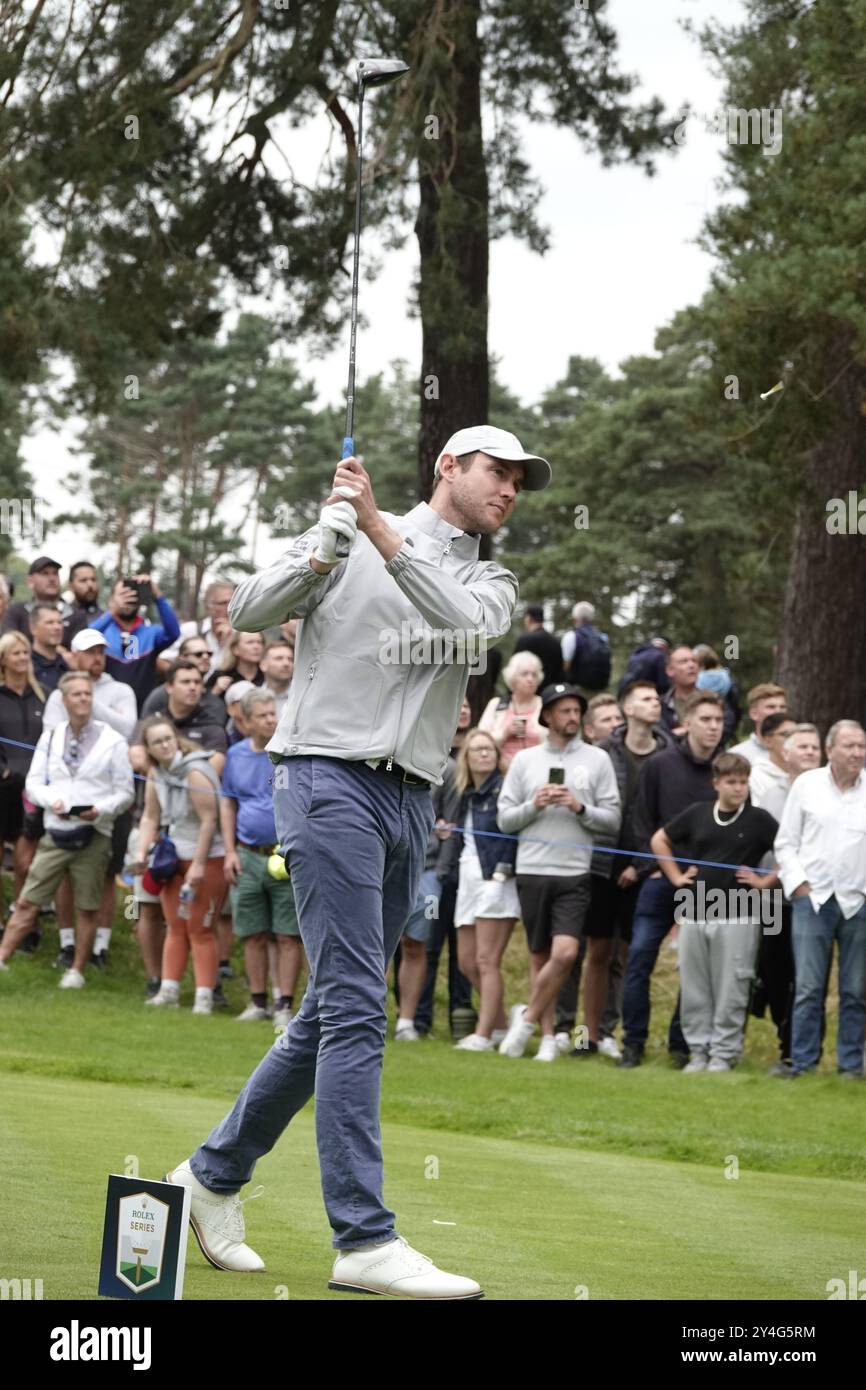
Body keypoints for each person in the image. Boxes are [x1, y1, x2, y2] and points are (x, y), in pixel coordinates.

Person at [163, 423, 548, 1299]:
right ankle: (363, 1237)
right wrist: (320, 556)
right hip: (326, 779)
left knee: (327, 1016)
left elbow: (465, 633)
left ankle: (209, 1179)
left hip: (412, 801)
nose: (511, 490)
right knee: (350, 1008)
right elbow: (251, 612)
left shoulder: (489, 576)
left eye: (522, 481)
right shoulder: (343, 526)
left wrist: (379, 533)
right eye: (500, 472)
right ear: (449, 465)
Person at [496, 683, 620, 1062]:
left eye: (575, 711)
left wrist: (580, 808)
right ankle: (547, 1038)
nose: (572, 717)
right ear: (546, 716)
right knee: (539, 957)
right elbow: (504, 820)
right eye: (563, 711)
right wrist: (534, 805)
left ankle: (527, 1018)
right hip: (532, 869)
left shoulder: (597, 759)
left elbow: (612, 819)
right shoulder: (524, 760)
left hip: (575, 872)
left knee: (565, 953)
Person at [0, 672, 134, 987]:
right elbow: (33, 784)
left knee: (88, 905)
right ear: (64, 700)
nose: (84, 699)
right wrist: (53, 801)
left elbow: (126, 792)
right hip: (56, 830)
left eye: (88, 694)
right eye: (77, 695)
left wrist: (99, 809)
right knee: (28, 900)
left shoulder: (112, 740)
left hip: (95, 833)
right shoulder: (52, 736)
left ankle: (76, 971)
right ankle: (2, 958)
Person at [651, 752, 779, 1072]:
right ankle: (698, 1050)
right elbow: (660, 840)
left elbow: (789, 849)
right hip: (695, 908)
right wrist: (677, 877)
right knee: (695, 983)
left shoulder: (760, 820)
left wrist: (764, 882)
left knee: (732, 984)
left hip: (739, 911)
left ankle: (724, 1052)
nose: (739, 789)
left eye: (743, 782)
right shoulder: (697, 814)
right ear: (717, 783)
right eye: (732, 782)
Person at [618, 690, 726, 1068]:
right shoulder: (661, 765)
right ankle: (633, 1041)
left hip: (706, 888)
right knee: (639, 961)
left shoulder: (725, 773)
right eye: (706, 720)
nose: (713, 727)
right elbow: (642, 822)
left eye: (719, 721)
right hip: (660, 881)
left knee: (695, 971)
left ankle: (681, 1045)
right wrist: (666, 872)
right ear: (688, 723)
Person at [572, 681, 672, 1059]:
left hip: (648, 868)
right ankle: (588, 1036)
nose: (656, 703)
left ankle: (617, 1035)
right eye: (646, 698)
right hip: (602, 863)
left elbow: (667, 818)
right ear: (628, 708)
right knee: (596, 953)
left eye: (657, 698)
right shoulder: (602, 753)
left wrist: (642, 864)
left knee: (628, 957)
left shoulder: (668, 754)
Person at [774, 720, 866, 1078]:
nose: (857, 753)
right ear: (831, 750)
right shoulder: (807, 786)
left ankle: (850, 1066)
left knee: (856, 991)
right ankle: (803, 1064)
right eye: (850, 746)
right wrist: (798, 885)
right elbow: (786, 842)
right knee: (809, 989)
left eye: (861, 746)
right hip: (812, 901)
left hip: (858, 902)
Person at [44, 629, 138, 969]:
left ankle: (100, 946)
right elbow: (53, 736)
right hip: (69, 797)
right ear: (74, 654)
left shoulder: (120, 690)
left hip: (110, 797)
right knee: (66, 874)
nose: (96, 658)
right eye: (89, 652)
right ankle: (68, 942)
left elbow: (127, 731)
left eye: (101, 652)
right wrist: (78, 692)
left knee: (106, 873)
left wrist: (87, 697)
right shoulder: (59, 694)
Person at [132, 717, 224, 1014]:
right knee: (174, 925)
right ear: (149, 749)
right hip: (171, 857)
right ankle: (168, 989)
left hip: (206, 856)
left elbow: (210, 821)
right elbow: (150, 816)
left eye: (168, 738)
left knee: (199, 928)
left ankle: (203, 997)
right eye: (157, 742)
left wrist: (197, 866)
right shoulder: (157, 775)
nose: (165, 745)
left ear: (177, 738)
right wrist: (141, 853)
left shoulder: (195, 772)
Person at [221, 691, 302, 1028]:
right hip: (247, 854)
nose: (271, 719)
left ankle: (284, 1004)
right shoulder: (235, 755)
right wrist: (228, 851)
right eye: (263, 715)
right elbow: (228, 803)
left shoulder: (291, 752)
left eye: (274, 713)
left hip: (284, 854)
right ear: (246, 720)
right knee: (253, 933)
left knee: (287, 935)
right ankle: (258, 1002)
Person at [749, 718, 820, 1075]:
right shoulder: (771, 790)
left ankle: (800, 1051)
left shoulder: (826, 790)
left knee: (806, 977)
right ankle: (784, 1042)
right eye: (802, 746)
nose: (809, 752)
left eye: (814, 747)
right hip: (774, 900)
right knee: (776, 973)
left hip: (812, 899)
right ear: (785, 751)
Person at [449, 729, 518, 1052]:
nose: (483, 754)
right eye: (476, 750)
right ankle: (503, 1025)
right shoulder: (465, 793)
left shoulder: (504, 789)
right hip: (467, 877)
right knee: (466, 962)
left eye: (489, 749)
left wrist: (501, 875)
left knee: (486, 959)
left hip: (496, 878)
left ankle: (483, 1034)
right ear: (467, 758)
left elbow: (514, 834)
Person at [414, 700, 474, 1037]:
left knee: (460, 949)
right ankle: (419, 1020)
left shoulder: (450, 768)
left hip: (451, 870)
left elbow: (450, 824)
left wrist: (443, 871)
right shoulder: (416, 758)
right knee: (425, 945)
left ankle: (460, 1021)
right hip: (428, 870)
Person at [0, 633, 45, 906]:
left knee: (25, 863)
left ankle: (23, 918)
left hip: (33, 790)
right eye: (16, 653)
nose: (22, 658)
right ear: (3, 659)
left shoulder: (43, 696)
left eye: (26, 652)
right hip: (2, 785)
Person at [90, 574, 181, 708]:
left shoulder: (150, 632)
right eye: (123, 594)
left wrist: (157, 596)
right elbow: (84, 637)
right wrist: (113, 612)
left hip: (143, 708)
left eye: (133, 593)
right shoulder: (103, 631)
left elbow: (173, 633)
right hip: (107, 707)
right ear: (111, 600)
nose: (128, 598)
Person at [131, 661, 228, 775]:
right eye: (185, 682)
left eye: (197, 682)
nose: (193, 687)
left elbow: (213, 770)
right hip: (156, 789)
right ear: (169, 687)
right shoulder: (152, 722)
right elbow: (137, 758)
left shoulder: (213, 727)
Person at [478, 651, 544, 767]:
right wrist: (505, 733)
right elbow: (480, 741)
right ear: (512, 678)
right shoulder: (496, 705)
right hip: (498, 772)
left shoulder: (544, 705)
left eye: (534, 675)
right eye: (524, 674)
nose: (530, 679)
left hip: (536, 770)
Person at [158, 579, 236, 674]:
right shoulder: (190, 630)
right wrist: (186, 677)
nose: (229, 608)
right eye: (222, 603)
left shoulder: (242, 634)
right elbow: (162, 660)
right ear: (208, 607)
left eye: (232, 603)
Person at [730, 683, 788, 765]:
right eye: (771, 707)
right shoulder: (738, 755)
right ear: (754, 714)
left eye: (782, 707)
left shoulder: (798, 751)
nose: (778, 712)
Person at [560, 601, 611, 692]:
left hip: (578, 689)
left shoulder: (572, 636)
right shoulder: (603, 637)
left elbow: (565, 666)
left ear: (574, 618)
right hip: (601, 689)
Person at [513, 604, 563, 688]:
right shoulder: (556, 641)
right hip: (551, 693)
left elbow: (515, 667)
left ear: (528, 618)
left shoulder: (525, 640)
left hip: (529, 691)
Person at [206, 631, 265, 697]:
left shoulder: (268, 675)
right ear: (235, 649)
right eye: (250, 642)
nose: (256, 647)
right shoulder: (221, 675)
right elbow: (203, 703)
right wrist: (215, 691)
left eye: (260, 642)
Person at [28, 603, 71, 694]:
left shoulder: (68, 664)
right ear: (33, 628)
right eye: (50, 622)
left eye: (59, 622)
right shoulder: (26, 665)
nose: (57, 627)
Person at [658, 645, 699, 735]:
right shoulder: (660, 705)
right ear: (670, 670)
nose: (691, 665)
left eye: (694, 661)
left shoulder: (713, 700)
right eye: (684, 661)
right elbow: (659, 737)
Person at [60, 561, 102, 642]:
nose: (90, 584)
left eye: (93, 579)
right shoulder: (61, 617)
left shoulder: (106, 616)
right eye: (83, 580)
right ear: (71, 586)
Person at [259, 639, 294, 719]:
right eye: (279, 658)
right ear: (263, 665)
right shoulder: (253, 699)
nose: (286, 663)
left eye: (290, 659)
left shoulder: (302, 697)